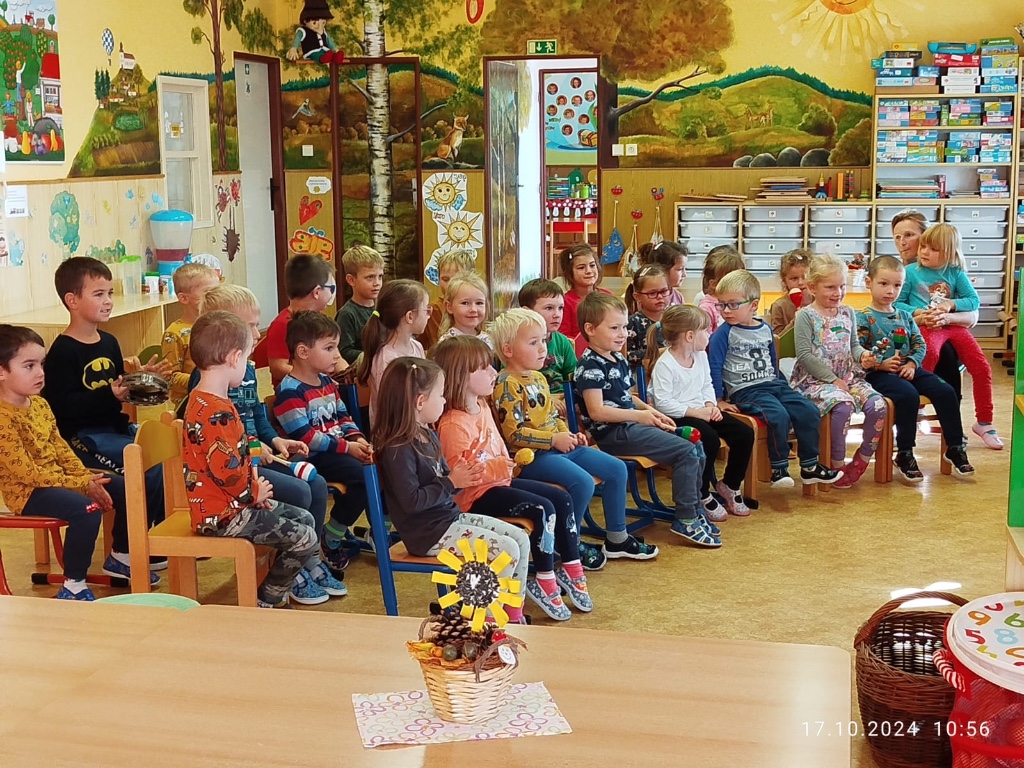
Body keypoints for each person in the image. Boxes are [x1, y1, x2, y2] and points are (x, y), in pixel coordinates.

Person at [188, 285, 348, 582]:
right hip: (234, 487)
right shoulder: (210, 391)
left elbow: (257, 417)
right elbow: (221, 458)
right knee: (301, 491)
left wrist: (275, 440)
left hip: (253, 461)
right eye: (248, 327)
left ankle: (307, 560)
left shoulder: (243, 373)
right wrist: (252, 484)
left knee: (315, 483)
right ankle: (292, 569)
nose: (256, 334)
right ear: (228, 347)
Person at [433, 335, 590, 621]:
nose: (493, 372)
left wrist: (507, 466)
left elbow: (498, 449)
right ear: (461, 376)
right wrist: (501, 467)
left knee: (561, 498)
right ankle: (544, 578)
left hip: (500, 483)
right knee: (542, 509)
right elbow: (461, 478)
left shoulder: (482, 406)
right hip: (476, 497)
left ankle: (570, 566)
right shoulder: (453, 423)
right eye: (484, 368)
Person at [490, 308, 658, 567]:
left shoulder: (538, 377)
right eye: (533, 343)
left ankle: (617, 538)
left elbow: (549, 416)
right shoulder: (506, 384)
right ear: (508, 350)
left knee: (616, 469)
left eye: (543, 341)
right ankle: (568, 543)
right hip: (533, 457)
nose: (543, 348)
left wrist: (566, 433)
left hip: (557, 446)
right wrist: (553, 440)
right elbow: (514, 434)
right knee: (582, 482)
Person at [374, 356, 529, 624]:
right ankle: (484, 623)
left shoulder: (428, 434)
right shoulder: (397, 448)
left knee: (520, 539)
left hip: (449, 520)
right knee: (505, 550)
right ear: (420, 402)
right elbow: (411, 501)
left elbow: (447, 481)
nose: (445, 401)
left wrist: (466, 473)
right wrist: (451, 482)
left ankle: (512, 616)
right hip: (427, 534)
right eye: (441, 395)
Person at [183, 311, 322, 609]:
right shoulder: (216, 411)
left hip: (233, 506)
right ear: (234, 358)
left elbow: (234, 453)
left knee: (305, 519)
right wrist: (253, 494)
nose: (247, 364)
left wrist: (252, 484)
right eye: (246, 357)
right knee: (305, 538)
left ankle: (274, 593)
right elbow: (227, 472)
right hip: (222, 517)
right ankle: (266, 601)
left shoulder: (207, 399)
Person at [42, 256, 167, 583]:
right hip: (80, 437)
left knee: (163, 454)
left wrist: (140, 380)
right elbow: (62, 409)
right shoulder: (62, 352)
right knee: (138, 466)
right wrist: (110, 395)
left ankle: (150, 539)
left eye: (109, 293)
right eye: (98, 294)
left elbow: (118, 392)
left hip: (112, 430)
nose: (108, 300)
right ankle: (122, 553)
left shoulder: (109, 342)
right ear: (72, 300)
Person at [0, 325, 145, 600]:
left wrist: (85, 478)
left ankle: (120, 556)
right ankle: (73, 584)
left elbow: (61, 449)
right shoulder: (2, 418)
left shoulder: (40, 405)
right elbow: (28, 474)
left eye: (41, 364)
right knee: (87, 509)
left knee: (126, 487)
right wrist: (80, 484)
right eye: (29, 366)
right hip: (28, 492)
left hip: (57, 481)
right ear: (1, 372)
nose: (40, 373)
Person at [573, 292, 717, 548]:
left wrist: (650, 411)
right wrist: (640, 416)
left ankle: (694, 510)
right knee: (686, 451)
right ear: (590, 329)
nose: (622, 334)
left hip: (632, 426)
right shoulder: (590, 365)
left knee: (696, 444)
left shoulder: (617, 357)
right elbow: (597, 412)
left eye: (624, 327)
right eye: (614, 328)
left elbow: (626, 397)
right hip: (614, 434)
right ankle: (685, 518)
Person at [708, 269, 841, 489]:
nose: (726, 311)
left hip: (773, 384)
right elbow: (713, 367)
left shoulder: (765, 329)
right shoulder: (723, 334)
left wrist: (782, 386)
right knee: (777, 415)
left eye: (733, 304)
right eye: (721, 305)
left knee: (808, 409)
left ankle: (809, 466)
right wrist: (718, 399)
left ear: (753, 305)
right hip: (746, 390)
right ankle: (778, 469)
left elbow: (772, 360)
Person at [857, 256, 974, 478]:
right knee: (908, 395)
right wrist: (880, 364)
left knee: (946, 390)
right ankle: (904, 452)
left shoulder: (905, 316)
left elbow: (919, 344)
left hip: (909, 368)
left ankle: (955, 447)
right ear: (868, 282)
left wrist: (912, 363)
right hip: (878, 374)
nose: (891, 291)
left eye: (897, 285)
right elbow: (859, 351)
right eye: (884, 283)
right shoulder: (863, 318)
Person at [274, 312, 371, 575]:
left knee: (373, 466)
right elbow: (306, 437)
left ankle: (340, 531)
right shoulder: (290, 391)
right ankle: (331, 537)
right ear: (303, 352)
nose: (337, 355)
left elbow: (344, 417)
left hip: (336, 451)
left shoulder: (327, 382)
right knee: (363, 473)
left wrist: (358, 439)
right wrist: (348, 448)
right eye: (329, 348)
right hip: (312, 457)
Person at [895, 223, 1001, 450]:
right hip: (927, 327)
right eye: (923, 246)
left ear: (949, 253)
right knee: (930, 356)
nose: (924, 252)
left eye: (933, 249)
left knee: (982, 367)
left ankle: (984, 422)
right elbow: (897, 304)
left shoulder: (955, 273)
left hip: (952, 326)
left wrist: (950, 305)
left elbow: (973, 301)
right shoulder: (911, 272)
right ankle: (914, 412)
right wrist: (919, 312)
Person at [647, 305, 755, 518]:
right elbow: (662, 403)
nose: (709, 334)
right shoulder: (665, 364)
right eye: (705, 330)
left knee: (744, 433)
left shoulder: (701, 356)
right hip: (676, 417)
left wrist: (710, 405)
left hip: (702, 411)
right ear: (689, 336)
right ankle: (701, 492)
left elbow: (707, 384)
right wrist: (698, 413)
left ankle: (730, 484)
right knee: (709, 440)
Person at [790, 255, 888, 488]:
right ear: (812, 287)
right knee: (843, 406)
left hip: (848, 378)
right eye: (831, 287)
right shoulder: (806, 316)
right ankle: (836, 465)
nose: (838, 293)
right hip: (815, 382)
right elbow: (805, 355)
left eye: (842, 286)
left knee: (878, 405)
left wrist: (864, 356)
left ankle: (862, 459)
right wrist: (832, 379)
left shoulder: (848, 312)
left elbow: (854, 346)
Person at [891, 209, 969, 400]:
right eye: (897, 237)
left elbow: (972, 316)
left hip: (944, 335)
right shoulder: (896, 270)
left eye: (909, 235)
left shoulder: (949, 270)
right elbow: (891, 311)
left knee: (945, 350)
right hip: (909, 333)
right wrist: (920, 317)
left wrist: (945, 315)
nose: (902, 242)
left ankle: (950, 412)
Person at [356, 278, 430, 428]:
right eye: (426, 310)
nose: (429, 315)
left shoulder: (417, 346)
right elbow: (394, 409)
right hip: (396, 433)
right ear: (410, 316)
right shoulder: (386, 359)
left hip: (417, 426)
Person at [266, 254, 338, 387]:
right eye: (331, 289)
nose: (332, 295)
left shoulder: (321, 321)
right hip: (296, 394)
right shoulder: (282, 324)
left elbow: (335, 354)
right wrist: (314, 378)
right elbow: (278, 367)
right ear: (317, 292)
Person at [161, 263, 219, 407]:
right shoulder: (174, 334)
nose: (215, 297)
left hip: (218, 397)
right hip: (189, 404)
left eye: (217, 291)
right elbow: (170, 377)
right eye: (208, 292)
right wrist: (205, 380)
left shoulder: (218, 325)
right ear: (184, 298)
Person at [518, 278, 576, 417]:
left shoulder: (563, 342)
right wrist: (547, 398)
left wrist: (569, 399)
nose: (557, 314)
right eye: (549, 308)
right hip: (531, 401)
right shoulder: (517, 343)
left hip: (563, 400)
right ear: (527, 311)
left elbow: (574, 377)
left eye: (560, 308)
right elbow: (513, 380)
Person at [336, 245, 384, 366]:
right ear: (351, 280)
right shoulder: (347, 314)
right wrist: (377, 356)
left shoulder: (383, 308)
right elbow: (344, 351)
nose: (377, 283)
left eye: (380, 276)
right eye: (370, 277)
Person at [557, 243, 613, 342]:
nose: (589, 271)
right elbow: (564, 338)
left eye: (592, 265)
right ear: (569, 273)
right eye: (581, 268)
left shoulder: (608, 296)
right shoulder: (565, 302)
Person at [421, 250, 476, 349]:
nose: (450, 285)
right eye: (445, 279)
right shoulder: (434, 309)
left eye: (456, 279)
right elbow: (441, 348)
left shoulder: (477, 306)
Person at [625, 264, 669, 366]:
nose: (660, 297)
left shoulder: (675, 318)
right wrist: (658, 353)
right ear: (637, 297)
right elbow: (626, 355)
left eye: (664, 291)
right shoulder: (632, 323)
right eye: (652, 293)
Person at [436, 271, 493, 349]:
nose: (473, 309)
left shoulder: (488, 341)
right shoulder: (447, 344)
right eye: (465, 303)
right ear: (449, 307)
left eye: (479, 303)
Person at [696, 246, 745, 332]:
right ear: (714, 284)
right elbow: (704, 337)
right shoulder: (707, 308)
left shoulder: (740, 301)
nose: (738, 284)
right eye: (732, 280)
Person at [768, 248, 813, 335]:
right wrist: (794, 323)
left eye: (805, 277)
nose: (800, 282)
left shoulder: (819, 301)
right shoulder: (779, 307)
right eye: (794, 278)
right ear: (785, 281)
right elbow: (777, 339)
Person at [637, 240, 687, 305]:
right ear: (663, 270)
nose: (684, 274)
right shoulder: (645, 297)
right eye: (680, 269)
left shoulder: (678, 297)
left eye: (685, 269)